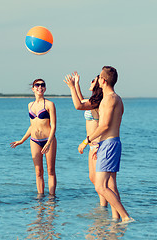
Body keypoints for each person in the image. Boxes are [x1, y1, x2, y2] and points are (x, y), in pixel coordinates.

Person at [67, 66, 132, 222]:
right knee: (110, 185)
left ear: (103, 80)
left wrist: (86, 141)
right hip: (111, 143)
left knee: (100, 186)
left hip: (109, 143)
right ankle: (116, 220)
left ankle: (125, 217)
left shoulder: (109, 99)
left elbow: (104, 126)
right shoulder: (117, 98)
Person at [63, 72, 108, 207]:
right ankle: (103, 208)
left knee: (100, 183)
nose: (91, 82)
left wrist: (71, 87)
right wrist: (77, 84)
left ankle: (104, 207)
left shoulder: (98, 103)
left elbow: (78, 105)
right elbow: (82, 101)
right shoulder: (93, 101)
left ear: (98, 85)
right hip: (92, 144)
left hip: (97, 144)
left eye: (93, 81)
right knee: (93, 179)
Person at [10, 79, 57, 195]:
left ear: (45, 89)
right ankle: (40, 199)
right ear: (33, 88)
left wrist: (49, 143)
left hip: (48, 140)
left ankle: (51, 199)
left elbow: (54, 126)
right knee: (38, 172)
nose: (40, 87)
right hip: (34, 141)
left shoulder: (50, 104)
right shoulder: (30, 105)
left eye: (42, 85)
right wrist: (22, 140)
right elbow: (32, 126)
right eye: (37, 85)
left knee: (50, 171)